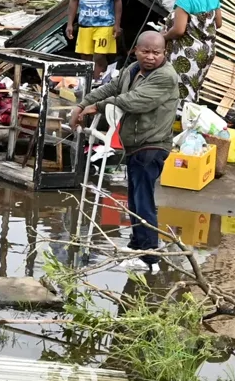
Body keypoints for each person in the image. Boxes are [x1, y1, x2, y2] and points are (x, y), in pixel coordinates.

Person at [69, 31, 178, 269]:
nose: (150, 57)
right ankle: (137, 245)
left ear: (164, 53)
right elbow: (110, 88)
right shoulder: (131, 70)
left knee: (143, 200)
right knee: (135, 199)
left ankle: (150, 257)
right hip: (135, 144)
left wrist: (97, 107)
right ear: (136, 51)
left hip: (152, 144)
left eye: (156, 53)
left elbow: (135, 100)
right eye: (146, 52)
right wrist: (82, 104)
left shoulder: (166, 77)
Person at [162, 0, 222, 104]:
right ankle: (189, 120)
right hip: (207, 51)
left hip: (187, 52)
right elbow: (219, 23)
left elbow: (179, 30)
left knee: (180, 90)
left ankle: (178, 123)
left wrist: (163, 37)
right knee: (193, 88)